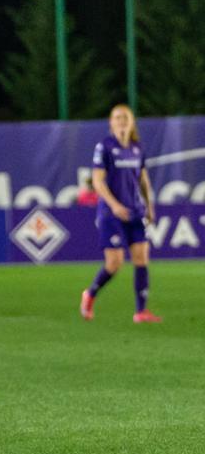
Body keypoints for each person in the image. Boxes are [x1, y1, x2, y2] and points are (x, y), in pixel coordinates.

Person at [80, 104, 160, 323]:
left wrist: (149, 205)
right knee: (115, 263)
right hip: (111, 213)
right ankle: (90, 294)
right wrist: (114, 205)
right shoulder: (105, 146)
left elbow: (143, 179)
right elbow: (97, 180)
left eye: (125, 117)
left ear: (132, 121)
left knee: (142, 257)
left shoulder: (137, 148)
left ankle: (141, 311)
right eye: (117, 117)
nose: (122, 121)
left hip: (135, 211)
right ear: (110, 122)